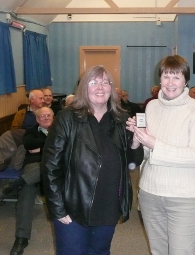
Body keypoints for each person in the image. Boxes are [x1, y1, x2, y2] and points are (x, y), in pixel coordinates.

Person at [42, 65, 144, 255]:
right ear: (83, 88)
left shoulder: (121, 118)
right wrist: (57, 207)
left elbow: (132, 163)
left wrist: (136, 142)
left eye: (105, 82)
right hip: (73, 205)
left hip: (108, 205)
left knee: (100, 252)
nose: (100, 87)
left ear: (111, 89)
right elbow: (50, 167)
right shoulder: (67, 118)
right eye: (93, 82)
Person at [126, 55, 195, 254]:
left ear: (186, 81)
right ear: (159, 79)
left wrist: (154, 143)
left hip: (184, 197)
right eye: (166, 77)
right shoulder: (151, 107)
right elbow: (147, 153)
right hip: (150, 192)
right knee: (158, 251)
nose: (170, 83)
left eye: (176, 77)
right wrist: (138, 139)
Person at [0, 107, 54, 255]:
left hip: (54, 168)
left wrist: (41, 147)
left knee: (47, 165)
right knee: (26, 192)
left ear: (53, 117)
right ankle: (21, 238)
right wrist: (49, 146)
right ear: (37, 119)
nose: (46, 118)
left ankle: (17, 183)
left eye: (48, 115)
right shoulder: (30, 131)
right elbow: (29, 144)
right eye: (42, 116)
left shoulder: (59, 130)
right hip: (33, 166)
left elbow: (65, 147)